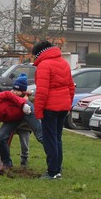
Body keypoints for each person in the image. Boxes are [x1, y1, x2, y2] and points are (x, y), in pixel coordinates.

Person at [32, 41, 75, 180]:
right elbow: (71, 87)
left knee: (49, 140)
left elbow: (42, 92)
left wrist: (38, 112)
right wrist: (68, 104)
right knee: (57, 139)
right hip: (63, 107)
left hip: (50, 108)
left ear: (39, 53)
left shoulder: (44, 65)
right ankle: (58, 167)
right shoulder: (63, 63)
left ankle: (52, 172)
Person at [0, 73, 43, 171]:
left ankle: (53, 164)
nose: (15, 92)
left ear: (23, 91)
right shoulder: (10, 96)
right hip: (13, 119)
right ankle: (6, 163)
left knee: (35, 139)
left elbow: (33, 110)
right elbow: (7, 97)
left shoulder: (29, 100)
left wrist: (26, 100)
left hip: (25, 126)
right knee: (1, 137)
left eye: (18, 91)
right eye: (14, 90)